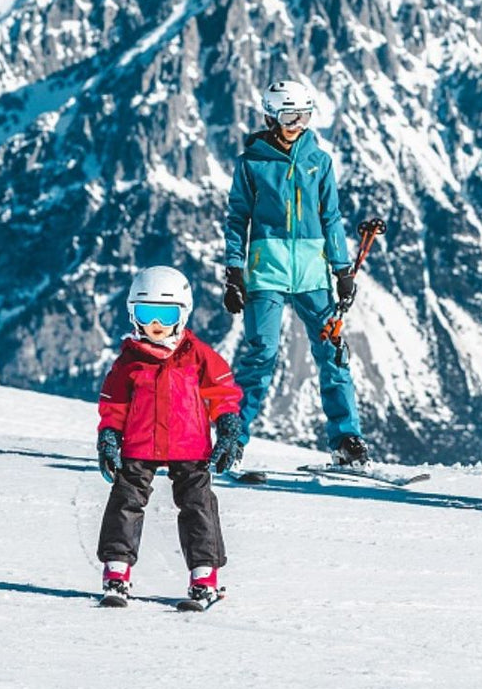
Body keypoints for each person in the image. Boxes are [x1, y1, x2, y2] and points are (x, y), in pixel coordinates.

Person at [222, 77, 368, 467]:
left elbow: (331, 217)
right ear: (271, 116)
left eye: (304, 115)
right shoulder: (251, 164)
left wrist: (342, 269)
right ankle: (232, 438)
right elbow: (237, 218)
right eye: (289, 115)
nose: (297, 124)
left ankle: (346, 438)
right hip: (265, 272)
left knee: (332, 352)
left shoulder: (318, 162)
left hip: (311, 273)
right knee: (261, 354)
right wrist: (234, 272)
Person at [96, 266, 244, 607]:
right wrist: (108, 437)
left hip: (189, 446)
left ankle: (204, 576)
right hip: (139, 444)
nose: (156, 326)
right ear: (133, 314)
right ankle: (117, 571)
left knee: (198, 505)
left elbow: (223, 392)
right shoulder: (129, 360)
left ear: (183, 313)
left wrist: (228, 429)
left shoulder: (197, 354)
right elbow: (114, 404)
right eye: (146, 314)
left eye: (165, 314)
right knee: (125, 501)